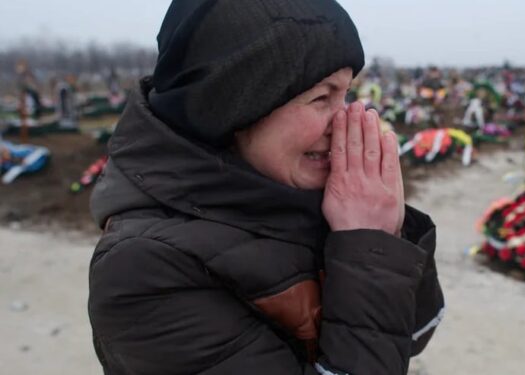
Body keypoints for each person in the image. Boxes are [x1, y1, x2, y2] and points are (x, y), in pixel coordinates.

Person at [87, 1, 444, 374]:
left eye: (346, 94)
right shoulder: (143, 268)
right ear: (234, 107)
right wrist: (368, 242)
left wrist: (385, 235)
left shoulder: (306, 198)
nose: (344, 123)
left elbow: (413, 334)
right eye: (322, 97)